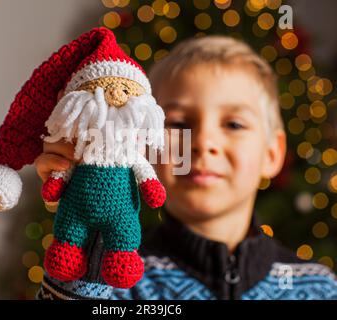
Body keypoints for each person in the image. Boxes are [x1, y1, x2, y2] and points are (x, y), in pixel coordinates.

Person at [35, 35, 337, 300]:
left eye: (234, 124)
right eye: (179, 124)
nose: (203, 142)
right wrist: (88, 240)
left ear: (273, 154)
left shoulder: (319, 288)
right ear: (146, 146)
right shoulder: (115, 282)